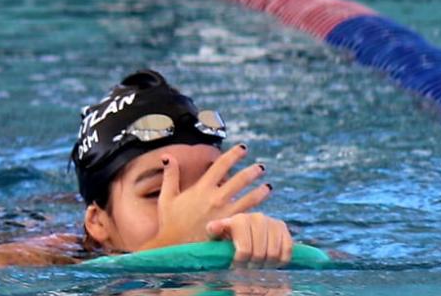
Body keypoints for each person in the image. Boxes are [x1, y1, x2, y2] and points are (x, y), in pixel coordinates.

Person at [65, 69, 296, 266]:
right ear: (98, 222)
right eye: (157, 192)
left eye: (216, 185)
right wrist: (172, 242)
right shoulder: (50, 258)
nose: (199, 209)